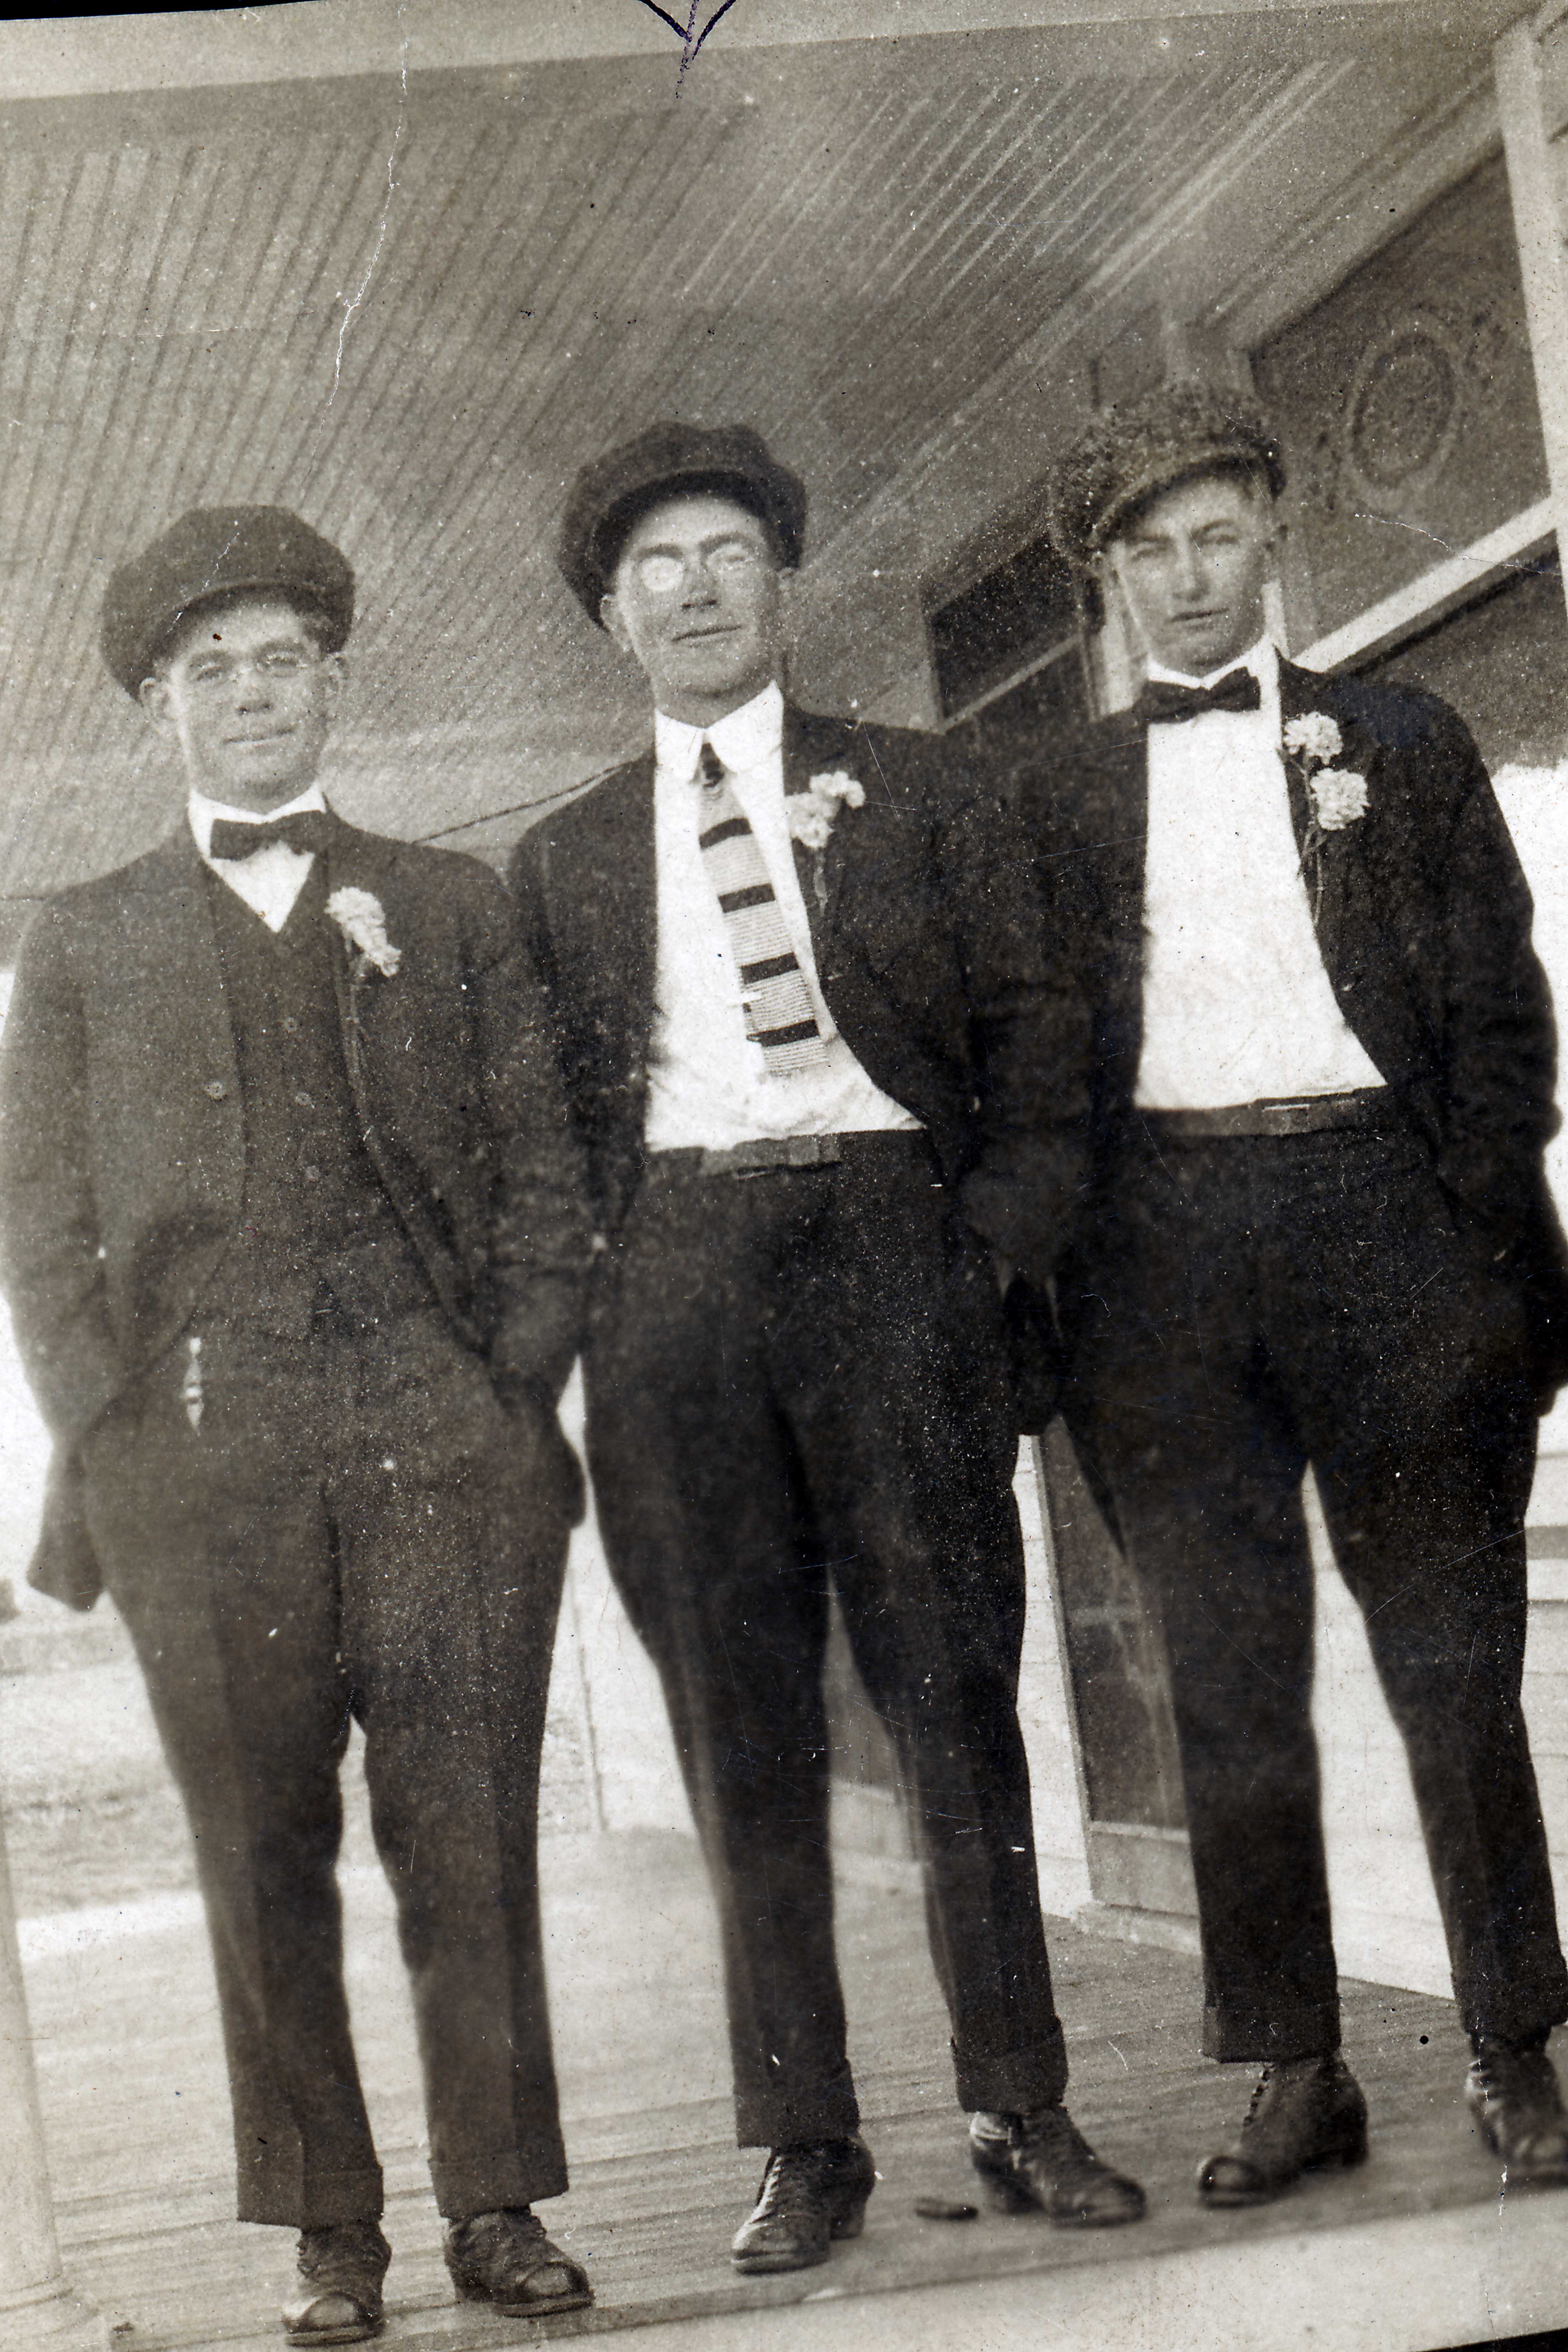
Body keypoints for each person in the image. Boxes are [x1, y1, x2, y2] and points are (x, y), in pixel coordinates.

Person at [511, 419, 1139, 2275]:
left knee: (955, 1701)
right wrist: (609, 1300)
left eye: (728, 555)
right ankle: (804, 2140)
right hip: (677, 1290)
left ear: (783, 585)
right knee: (742, 1735)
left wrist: (982, 1252)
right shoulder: (561, 861)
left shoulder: (928, 790)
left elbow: (1042, 1037)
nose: (695, 591)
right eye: (658, 569)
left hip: (895, 1257)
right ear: (614, 621)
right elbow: (539, 1127)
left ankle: (1019, 2103)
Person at [0, 508, 596, 2342]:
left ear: (333, 684)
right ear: (159, 707)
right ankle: (332, 2229)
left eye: (281, 661)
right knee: (262, 1853)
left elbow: (544, 1169)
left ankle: (496, 2204)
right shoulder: (83, 938)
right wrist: (116, 1442)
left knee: (465, 1829)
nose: (250, 694)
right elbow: (40, 1226)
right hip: (204, 1461)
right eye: (213, 670)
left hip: (442, 1440)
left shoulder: (447, 903)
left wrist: (508, 1390)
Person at [1022, 378, 1568, 2207]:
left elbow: (1501, 1015)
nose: (1188, 577)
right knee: (1226, 1677)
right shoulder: (1054, 796)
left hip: (1387, 1218)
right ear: (1109, 581)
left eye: (1217, 536)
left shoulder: (1399, 739)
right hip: (1164, 1261)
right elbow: (1030, 1061)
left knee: (1452, 1662)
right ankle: (1293, 2069)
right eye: (1150, 552)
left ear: (1272, 533)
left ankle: (1515, 2042)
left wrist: (1466, 1233)